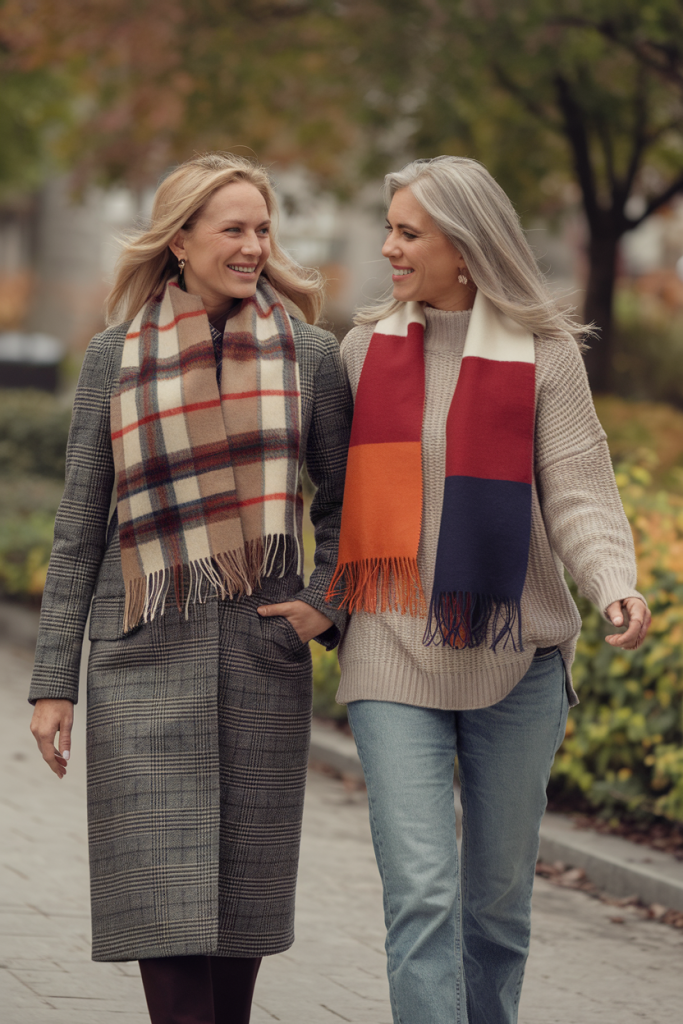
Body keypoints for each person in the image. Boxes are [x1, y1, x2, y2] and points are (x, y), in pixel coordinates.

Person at [28, 152, 351, 1024]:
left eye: (262, 229)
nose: (254, 246)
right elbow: (80, 523)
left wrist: (321, 607)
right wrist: (55, 679)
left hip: (259, 655)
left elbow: (350, 504)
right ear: (180, 241)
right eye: (233, 229)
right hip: (140, 660)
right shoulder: (113, 358)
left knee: (240, 918)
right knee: (161, 913)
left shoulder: (310, 358)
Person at [327, 155, 651, 1024]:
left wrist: (613, 582)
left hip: (516, 659)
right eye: (388, 227)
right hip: (392, 651)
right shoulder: (362, 352)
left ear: (464, 251)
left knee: (496, 909)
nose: (387, 245)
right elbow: (323, 496)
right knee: (422, 897)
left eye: (407, 231)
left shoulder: (544, 357)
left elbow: (578, 487)